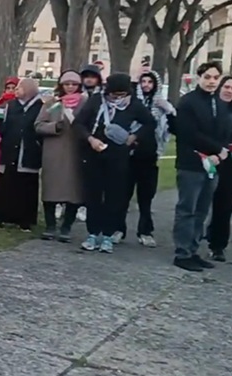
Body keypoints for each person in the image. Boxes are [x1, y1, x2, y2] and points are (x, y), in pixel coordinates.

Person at [74, 73, 155, 253]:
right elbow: (78, 124)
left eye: (122, 95)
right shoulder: (96, 101)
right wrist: (90, 139)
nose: (117, 98)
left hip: (118, 155)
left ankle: (108, 235)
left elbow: (150, 123)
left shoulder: (133, 104)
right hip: (94, 154)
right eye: (114, 95)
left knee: (115, 196)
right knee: (93, 194)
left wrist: (134, 137)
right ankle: (93, 233)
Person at [171, 61, 230, 272]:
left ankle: (193, 249)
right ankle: (182, 253)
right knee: (187, 209)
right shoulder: (188, 102)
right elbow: (189, 133)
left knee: (202, 210)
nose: (211, 81)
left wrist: (220, 153)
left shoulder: (220, 103)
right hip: (191, 163)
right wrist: (217, 149)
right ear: (199, 78)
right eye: (207, 77)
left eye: (215, 77)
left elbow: (223, 132)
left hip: (212, 164)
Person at [0, 77, 44, 231]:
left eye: (20, 87)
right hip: (7, 152)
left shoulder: (41, 107)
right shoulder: (7, 106)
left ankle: (24, 221)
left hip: (28, 153)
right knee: (3, 186)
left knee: (26, 188)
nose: (16, 90)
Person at [35, 71, 85, 242]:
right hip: (54, 151)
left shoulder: (85, 103)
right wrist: (54, 127)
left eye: (74, 84)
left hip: (76, 151)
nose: (70, 87)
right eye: (67, 84)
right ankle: (50, 226)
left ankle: (66, 227)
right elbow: (38, 125)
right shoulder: (53, 102)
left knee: (74, 191)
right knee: (51, 189)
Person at [127, 71, 175, 247]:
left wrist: (169, 111)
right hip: (131, 153)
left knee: (146, 197)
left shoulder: (161, 105)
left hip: (150, 155)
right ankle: (118, 229)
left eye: (150, 82)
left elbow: (171, 128)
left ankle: (145, 230)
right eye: (143, 81)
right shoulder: (132, 103)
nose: (146, 85)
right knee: (123, 194)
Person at [206, 75, 232, 262]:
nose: (229, 91)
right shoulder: (209, 108)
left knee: (224, 205)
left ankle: (218, 245)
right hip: (208, 159)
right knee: (200, 203)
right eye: (226, 87)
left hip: (229, 164)